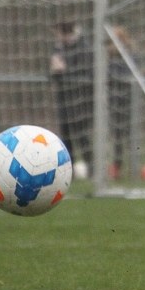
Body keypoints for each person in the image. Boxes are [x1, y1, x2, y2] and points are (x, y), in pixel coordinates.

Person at [49, 20, 94, 179]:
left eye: (58, 33)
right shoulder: (58, 49)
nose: (57, 37)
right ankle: (70, 170)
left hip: (80, 100)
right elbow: (53, 75)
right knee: (66, 138)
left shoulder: (83, 48)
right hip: (64, 99)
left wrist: (64, 69)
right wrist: (55, 70)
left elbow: (86, 72)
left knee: (82, 136)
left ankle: (92, 168)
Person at [107, 26, 133, 180]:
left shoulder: (127, 56)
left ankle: (129, 166)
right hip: (114, 101)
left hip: (126, 100)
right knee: (117, 136)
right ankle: (117, 167)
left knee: (126, 135)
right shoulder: (111, 57)